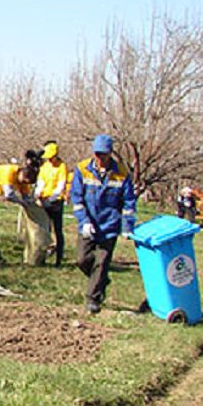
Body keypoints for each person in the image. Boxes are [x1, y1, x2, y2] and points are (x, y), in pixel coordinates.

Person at [70, 134, 137, 314]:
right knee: (82, 260)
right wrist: (84, 221)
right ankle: (101, 280)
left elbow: (129, 201)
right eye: (97, 154)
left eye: (103, 154)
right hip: (89, 223)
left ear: (110, 153)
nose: (100, 158)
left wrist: (127, 226)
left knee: (102, 262)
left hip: (109, 225)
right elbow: (76, 198)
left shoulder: (121, 173)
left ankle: (93, 299)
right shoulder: (82, 169)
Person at [34, 141, 69, 266]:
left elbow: (61, 186)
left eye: (51, 158)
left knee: (57, 230)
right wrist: (37, 195)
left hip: (55, 202)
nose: (49, 160)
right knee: (44, 230)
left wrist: (52, 198)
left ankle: (58, 259)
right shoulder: (45, 167)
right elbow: (41, 183)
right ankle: (43, 257)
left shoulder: (62, 167)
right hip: (44, 200)